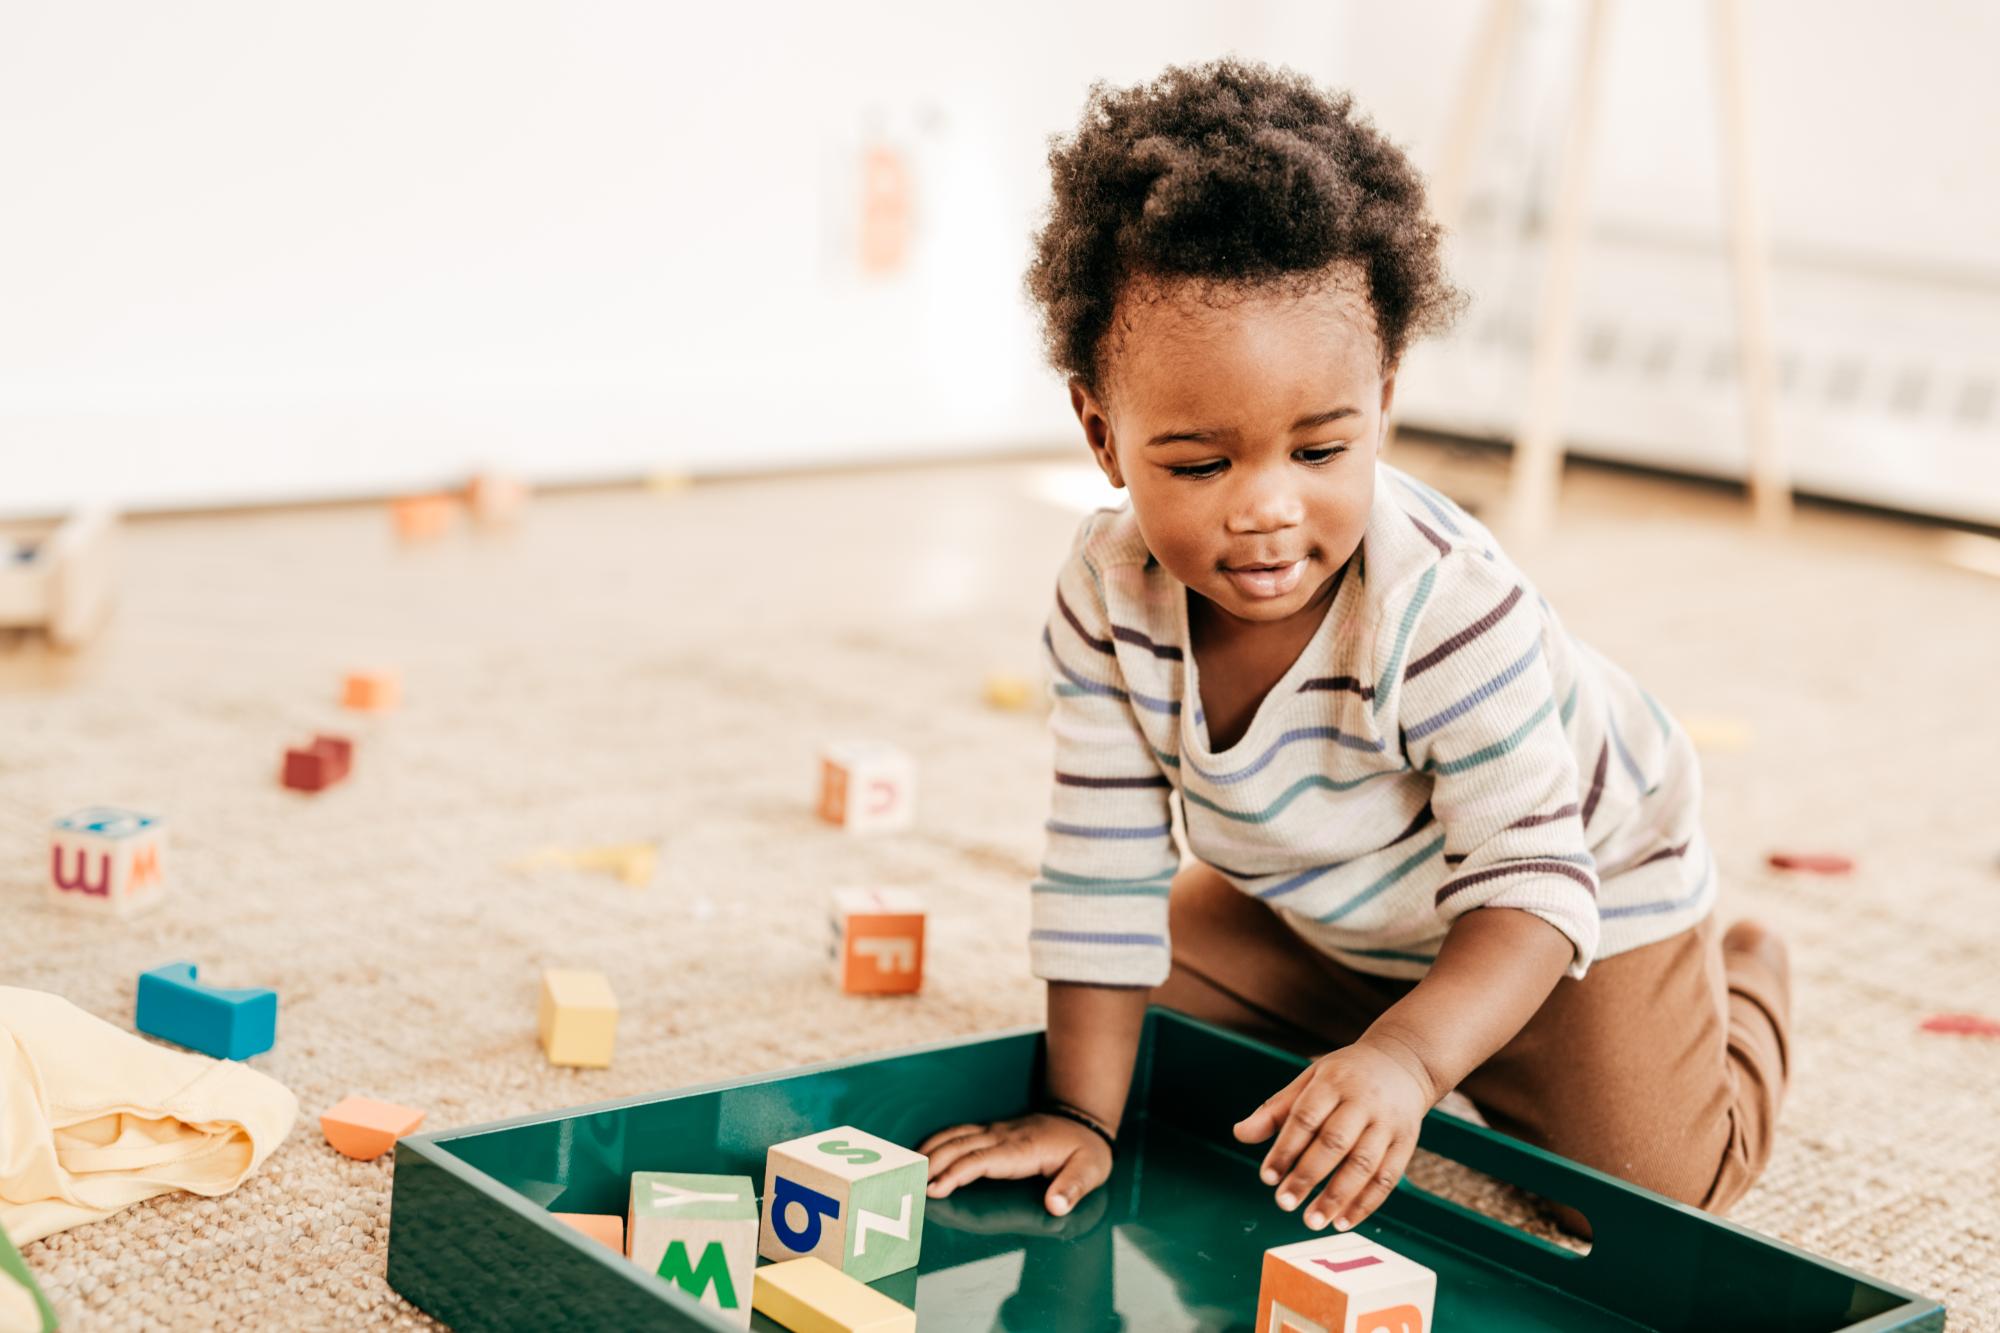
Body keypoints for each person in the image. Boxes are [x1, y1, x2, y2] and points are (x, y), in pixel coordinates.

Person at [920, 58, 1790, 1238]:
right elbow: (1098, 871)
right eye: (1197, 463)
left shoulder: (1442, 605)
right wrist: (1083, 1114)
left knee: (1654, 1198)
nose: (1265, 507)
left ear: (1380, 398)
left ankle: (1739, 974)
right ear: (1100, 434)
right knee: (1135, 1032)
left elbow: (1531, 883)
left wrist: (1409, 1062)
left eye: (1320, 450)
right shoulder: (1102, 593)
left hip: (1567, 895)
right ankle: (1393, 1018)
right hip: (1339, 909)